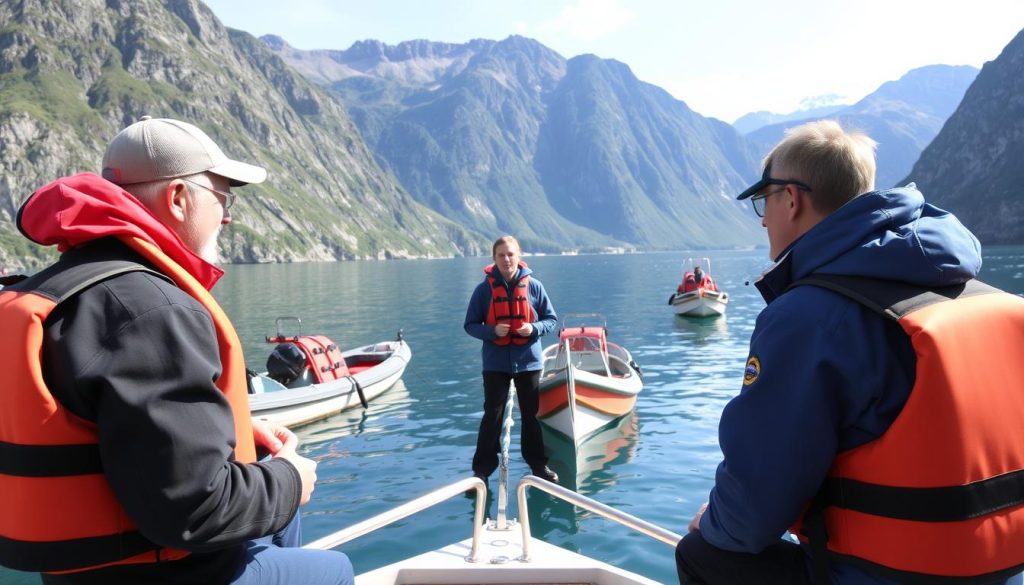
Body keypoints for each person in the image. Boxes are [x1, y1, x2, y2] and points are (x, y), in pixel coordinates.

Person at [0, 117, 353, 584]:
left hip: (79, 573)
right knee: (334, 569)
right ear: (179, 199)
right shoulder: (150, 309)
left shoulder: (58, 290)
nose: (227, 216)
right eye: (222, 198)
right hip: (162, 573)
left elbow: (101, 426)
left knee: (277, 509)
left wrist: (227, 426)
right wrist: (292, 478)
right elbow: (196, 510)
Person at [676, 120, 1024, 585]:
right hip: (1001, 569)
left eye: (764, 202)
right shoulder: (988, 298)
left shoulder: (809, 318)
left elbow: (751, 512)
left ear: (791, 200)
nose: (763, 219)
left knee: (703, 551)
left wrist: (713, 521)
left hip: (881, 575)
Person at [464, 235, 560, 487]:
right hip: (495, 364)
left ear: (519, 256)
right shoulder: (483, 290)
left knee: (531, 416)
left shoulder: (535, 287)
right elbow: (470, 325)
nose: (506, 259)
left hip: (528, 362)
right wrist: (491, 331)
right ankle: (482, 471)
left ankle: (538, 465)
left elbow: (551, 320)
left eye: (510, 254)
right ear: (493, 259)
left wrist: (534, 327)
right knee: (492, 416)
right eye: (501, 255)